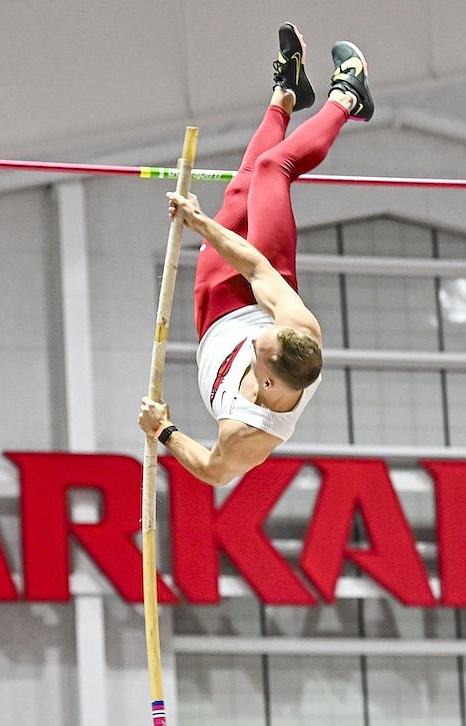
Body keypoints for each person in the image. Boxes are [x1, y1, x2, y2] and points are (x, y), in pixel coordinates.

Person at [138, 22, 374, 485]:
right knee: (273, 168)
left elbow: (212, 471)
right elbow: (256, 267)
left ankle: (287, 93)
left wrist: (163, 430)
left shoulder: (249, 435)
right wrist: (199, 223)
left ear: (266, 383)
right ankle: (349, 97)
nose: (260, 338)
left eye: (258, 348)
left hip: (214, 314)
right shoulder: (297, 329)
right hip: (260, 283)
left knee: (243, 185)